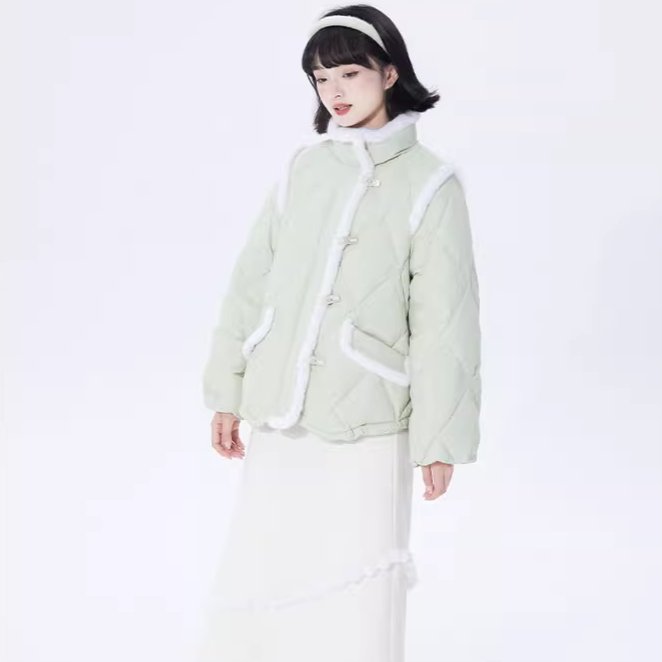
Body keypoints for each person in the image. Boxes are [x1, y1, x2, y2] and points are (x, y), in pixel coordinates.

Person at [195, 4, 482, 661]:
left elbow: (446, 323)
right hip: (280, 410)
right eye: (322, 79)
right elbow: (250, 284)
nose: (335, 92)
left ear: (390, 73)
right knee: (271, 566)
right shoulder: (303, 169)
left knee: (358, 585)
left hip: (371, 417)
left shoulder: (432, 184)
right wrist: (227, 392)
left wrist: (440, 437)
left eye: (350, 73)